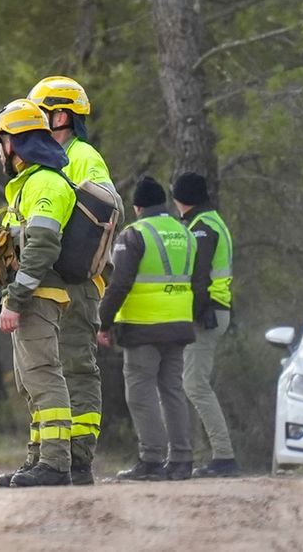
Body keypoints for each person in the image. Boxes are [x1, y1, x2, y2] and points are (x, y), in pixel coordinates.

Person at [28, 76, 120, 483]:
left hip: (78, 286)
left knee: (76, 368)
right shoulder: (49, 160)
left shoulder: (83, 155)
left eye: (41, 114)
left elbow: (107, 209)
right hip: (55, 283)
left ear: (62, 116)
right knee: (46, 370)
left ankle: (78, 458)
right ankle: (45, 455)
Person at [0, 99, 75, 488]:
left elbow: (41, 245)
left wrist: (15, 300)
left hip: (39, 295)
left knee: (43, 376)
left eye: (1, 143)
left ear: (15, 143)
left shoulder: (45, 183)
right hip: (31, 293)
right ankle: (37, 459)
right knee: (29, 382)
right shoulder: (27, 184)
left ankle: (55, 463)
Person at [98, 177, 196, 481]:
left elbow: (119, 284)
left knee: (141, 393)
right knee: (173, 390)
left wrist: (104, 321)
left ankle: (151, 460)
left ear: (137, 207)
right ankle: (181, 460)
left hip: (143, 326)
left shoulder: (134, 234)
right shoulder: (184, 232)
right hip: (179, 323)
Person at [172, 172, 238, 477]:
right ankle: (209, 455)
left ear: (181, 198)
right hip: (216, 309)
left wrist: (191, 314)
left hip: (207, 312)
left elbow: (198, 278)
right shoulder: (213, 221)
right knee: (193, 383)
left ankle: (224, 456)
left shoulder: (200, 228)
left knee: (195, 385)